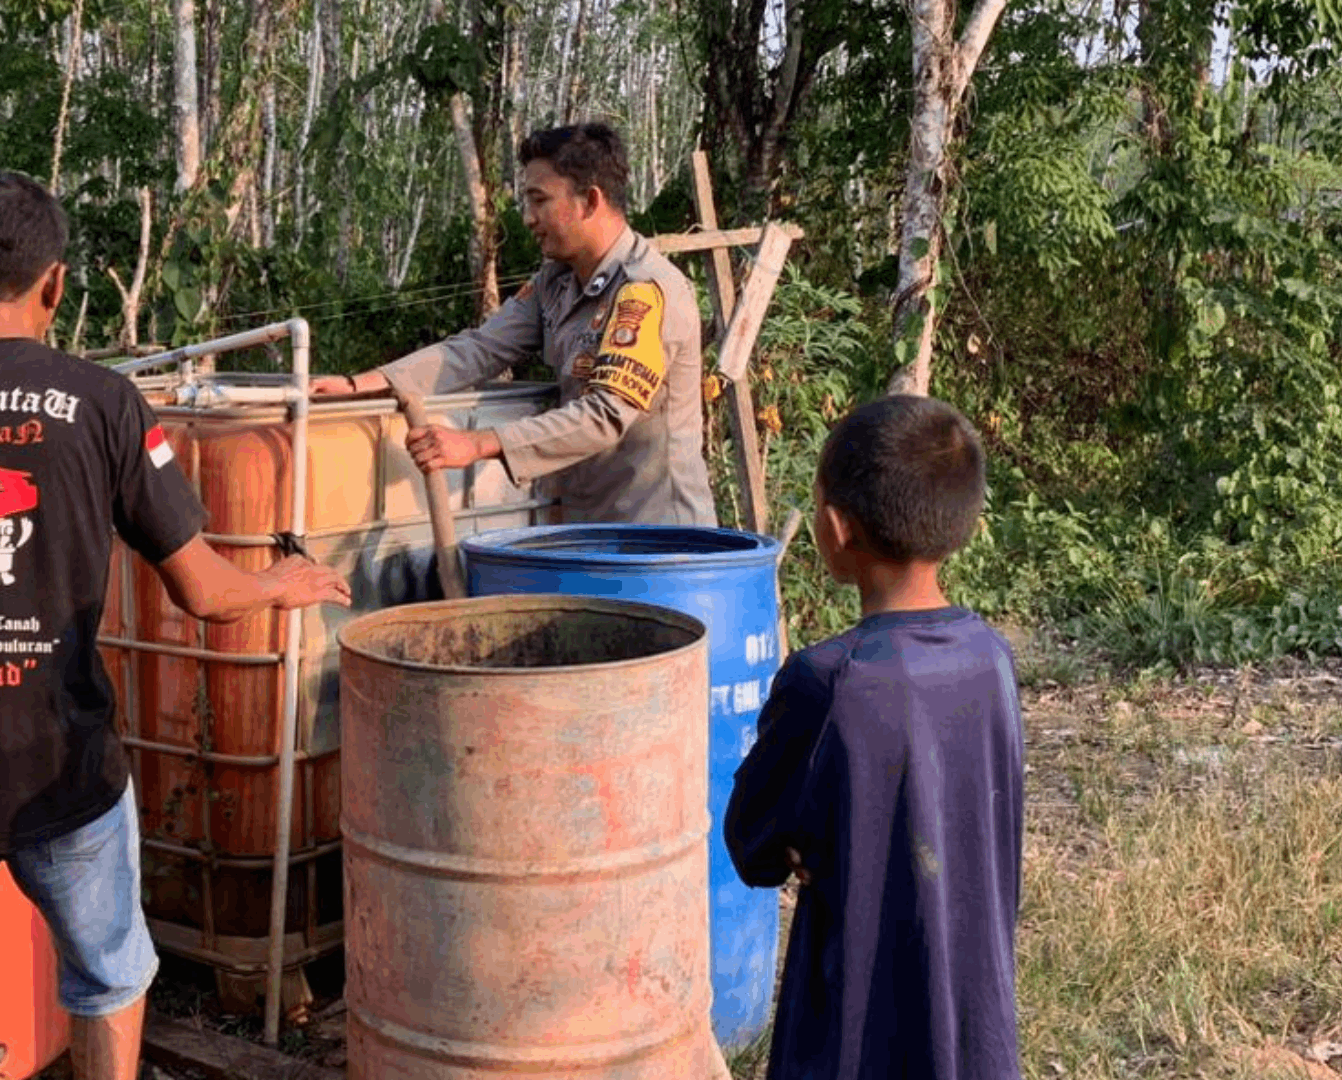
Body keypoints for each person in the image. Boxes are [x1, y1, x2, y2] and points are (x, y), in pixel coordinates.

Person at [0, 172, 350, 1080]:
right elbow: (201, 593)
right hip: (60, 768)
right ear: (55, 285)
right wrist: (281, 582)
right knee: (110, 976)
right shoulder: (103, 402)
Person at [723, 395, 1025, 1080]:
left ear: (834, 527)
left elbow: (753, 844)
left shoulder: (825, 681)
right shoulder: (992, 659)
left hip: (853, 1036)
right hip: (972, 1025)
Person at [311, 122, 716, 526]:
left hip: (662, 540)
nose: (527, 218)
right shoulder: (555, 281)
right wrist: (359, 385)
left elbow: (605, 414)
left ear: (590, 201)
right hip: (592, 530)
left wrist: (479, 444)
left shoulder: (644, 290)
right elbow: (480, 348)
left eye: (539, 200)